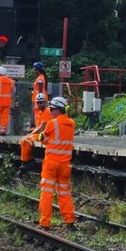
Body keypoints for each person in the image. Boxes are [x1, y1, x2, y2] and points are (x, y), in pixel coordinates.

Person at [37, 97, 76, 229]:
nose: (51, 112)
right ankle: (70, 221)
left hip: (51, 164)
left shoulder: (51, 124)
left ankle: (45, 222)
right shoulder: (71, 123)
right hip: (65, 165)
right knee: (65, 193)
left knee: (47, 192)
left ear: (57, 109)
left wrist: (41, 136)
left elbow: (44, 140)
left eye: (52, 109)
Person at [16, 93, 49, 178]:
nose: (39, 104)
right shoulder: (41, 112)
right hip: (42, 133)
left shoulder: (47, 111)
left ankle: (26, 163)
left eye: (41, 102)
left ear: (45, 102)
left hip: (45, 134)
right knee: (23, 140)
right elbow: (39, 126)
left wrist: (31, 134)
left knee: (26, 140)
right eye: (37, 102)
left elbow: (42, 127)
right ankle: (28, 160)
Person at [32, 62, 49, 128]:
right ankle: (39, 127)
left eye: (35, 70)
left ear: (37, 70)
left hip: (39, 100)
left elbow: (40, 90)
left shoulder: (40, 79)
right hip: (41, 99)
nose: (34, 72)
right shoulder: (41, 77)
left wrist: (39, 99)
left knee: (39, 114)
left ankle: (39, 127)